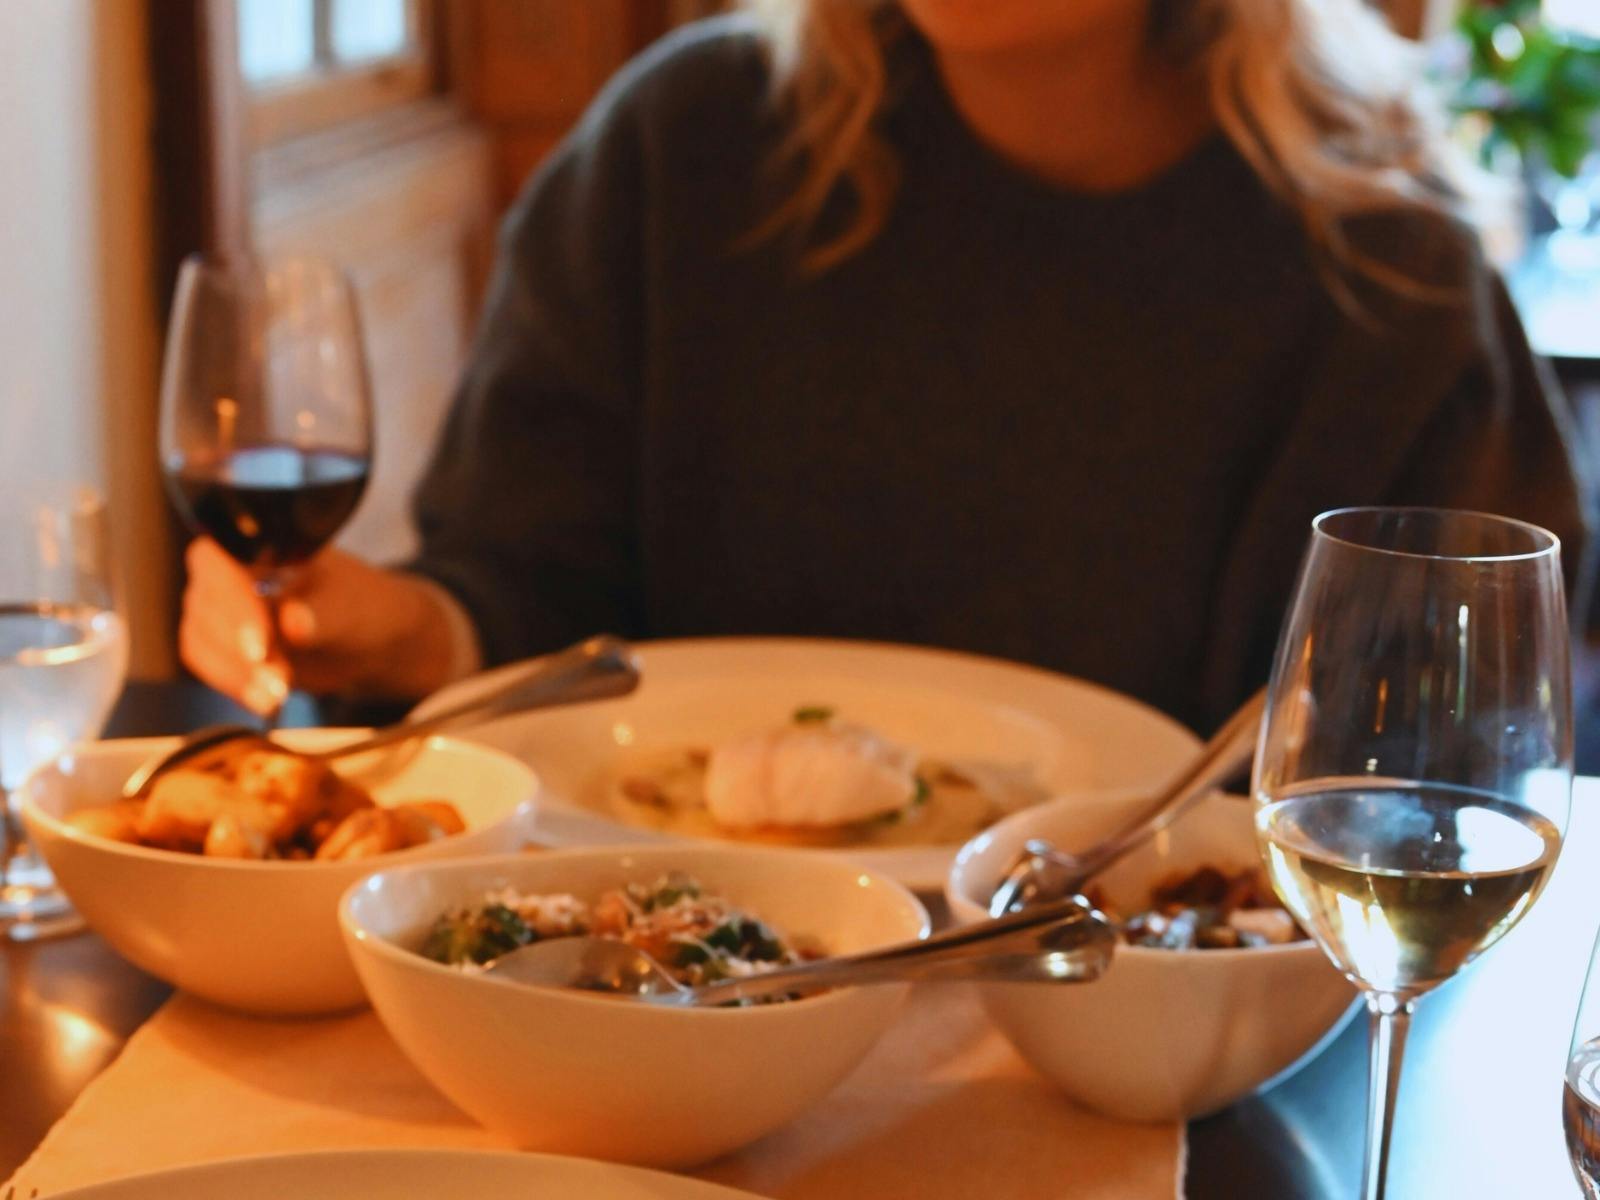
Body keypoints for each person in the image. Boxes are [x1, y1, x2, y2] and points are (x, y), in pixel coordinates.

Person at [180, 0, 1594, 733]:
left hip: (1196, 1049)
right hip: (674, 998)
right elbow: (526, 591)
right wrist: (410, 635)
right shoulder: (685, 153)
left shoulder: (1384, 266)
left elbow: (1452, 753)